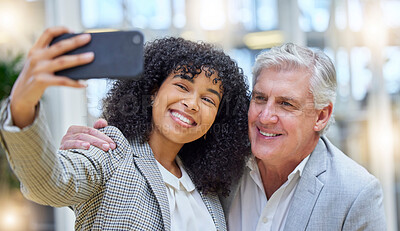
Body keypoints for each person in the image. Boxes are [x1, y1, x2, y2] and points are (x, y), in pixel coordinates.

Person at [63, 43, 387, 230]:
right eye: (259, 98)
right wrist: (92, 143)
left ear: (321, 116)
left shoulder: (356, 193)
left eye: (285, 104)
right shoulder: (217, 158)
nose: (265, 116)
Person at [0, 26, 251, 230]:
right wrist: (22, 105)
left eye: (208, 99)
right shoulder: (113, 151)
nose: (192, 103)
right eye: (182, 86)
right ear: (153, 92)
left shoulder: (207, 189)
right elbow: (49, 184)